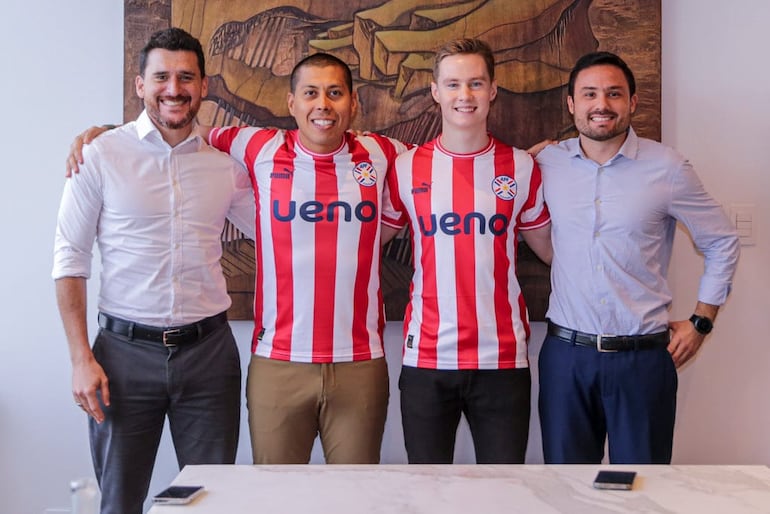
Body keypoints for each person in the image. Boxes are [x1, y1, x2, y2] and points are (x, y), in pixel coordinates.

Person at [53, 28, 255, 514]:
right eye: (161, 76)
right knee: (119, 501)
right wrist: (81, 357)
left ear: (203, 85)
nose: (174, 88)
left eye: (186, 77)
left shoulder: (225, 167)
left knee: (211, 501)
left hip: (209, 356)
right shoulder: (99, 155)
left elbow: (280, 230)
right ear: (140, 85)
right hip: (121, 359)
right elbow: (69, 260)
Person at [536, 51, 740, 464]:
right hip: (565, 358)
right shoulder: (545, 163)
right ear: (572, 103)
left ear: (632, 102)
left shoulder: (668, 167)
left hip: (643, 360)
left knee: (642, 490)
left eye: (614, 94)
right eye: (589, 94)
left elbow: (721, 241)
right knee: (564, 490)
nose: (602, 105)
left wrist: (701, 321)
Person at [380, 38, 552, 464]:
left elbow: (552, 253)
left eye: (476, 83)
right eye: (453, 84)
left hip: (503, 359)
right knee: (427, 491)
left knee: (504, 491)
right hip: (426, 358)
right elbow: (362, 244)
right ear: (435, 91)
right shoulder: (405, 168)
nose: (465, 95)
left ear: (492, 90)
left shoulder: (522, 167)